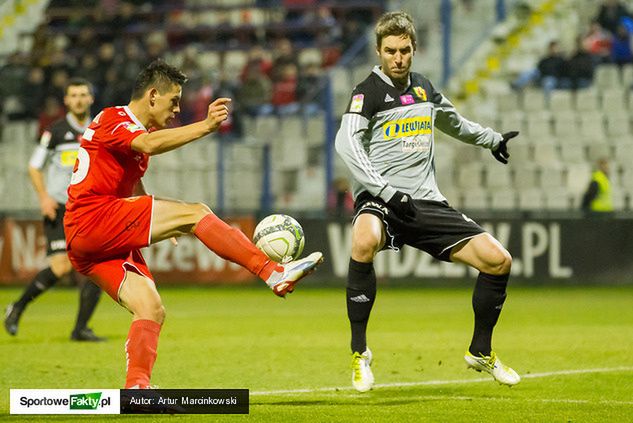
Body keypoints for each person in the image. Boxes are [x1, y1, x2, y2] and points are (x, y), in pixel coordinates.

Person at [63, 59, 323, 389]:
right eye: (174, 101)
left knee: (151, 308)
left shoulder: (136, 134)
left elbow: (131, 180)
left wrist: (156, 219)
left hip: (92, 242)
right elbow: (147, 145)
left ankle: (137, 389)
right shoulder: (115, 118)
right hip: (93, 219)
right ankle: (273, 273)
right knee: (196, 212)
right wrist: (205, 126)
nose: (176, 110)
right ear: (153, 95)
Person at [335, 11, 521, 393]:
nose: (398, 58)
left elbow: (452, 121)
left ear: (414, 50)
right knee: (363, 240)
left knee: (499, 260)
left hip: (424, 201)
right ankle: (360, 353)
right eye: (390, 51)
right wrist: (385, 191)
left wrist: (491, 139)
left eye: (404, 50)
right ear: (378, 51)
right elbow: (346, 142)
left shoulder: (423, 89)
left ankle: (480, 351)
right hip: (382, 198)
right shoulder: (366, 92)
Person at [4, 78, 104, 342]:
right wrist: (44, 197)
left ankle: (80, 329)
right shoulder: (55, 131)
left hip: (91, 209)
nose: (80, 99)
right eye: (74, 95)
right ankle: (18, 306)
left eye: (84, 94)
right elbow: (34, 166)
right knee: (60, 268)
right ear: (67, 101)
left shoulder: (100, 129)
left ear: (91, 98)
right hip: (60, 208)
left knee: (99, 267)